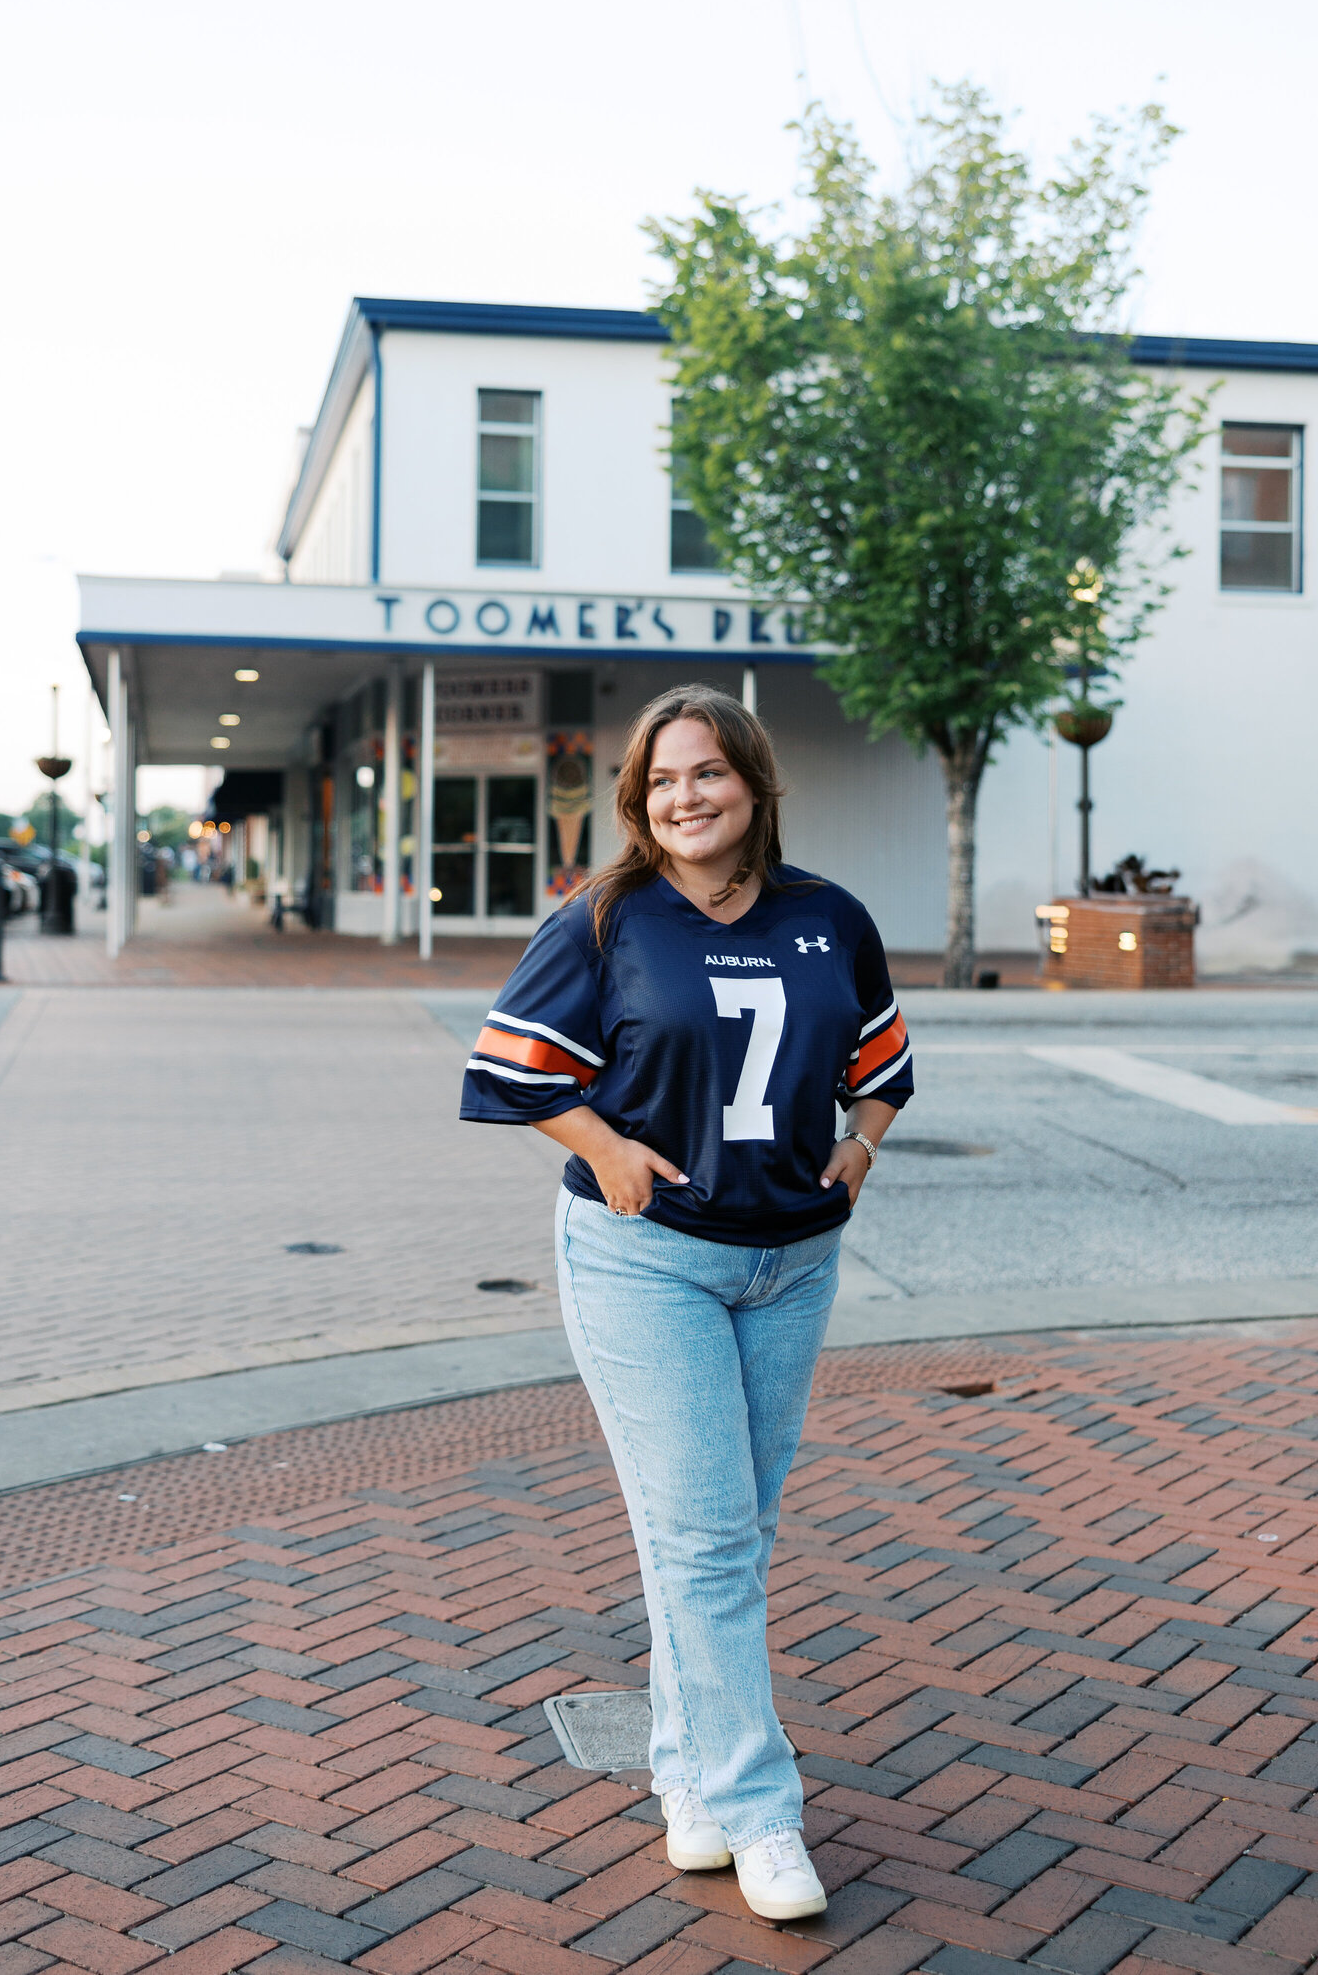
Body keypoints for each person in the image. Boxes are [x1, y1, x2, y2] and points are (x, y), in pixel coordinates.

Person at [459, 684, 912, 1921]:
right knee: (708, 1540)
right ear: (636, 798)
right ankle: (762, 1813)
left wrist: (862, 1146)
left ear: (753, 783)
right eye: (660, 780)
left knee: (725, 1537)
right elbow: (506, 1069)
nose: (683, 798)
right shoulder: (607, 920)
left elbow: (883, 1060)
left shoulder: (829, 917)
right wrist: (600, 1148)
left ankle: (684, 1776)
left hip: (793, 1260)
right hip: (646, 1258)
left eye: (705, 773)